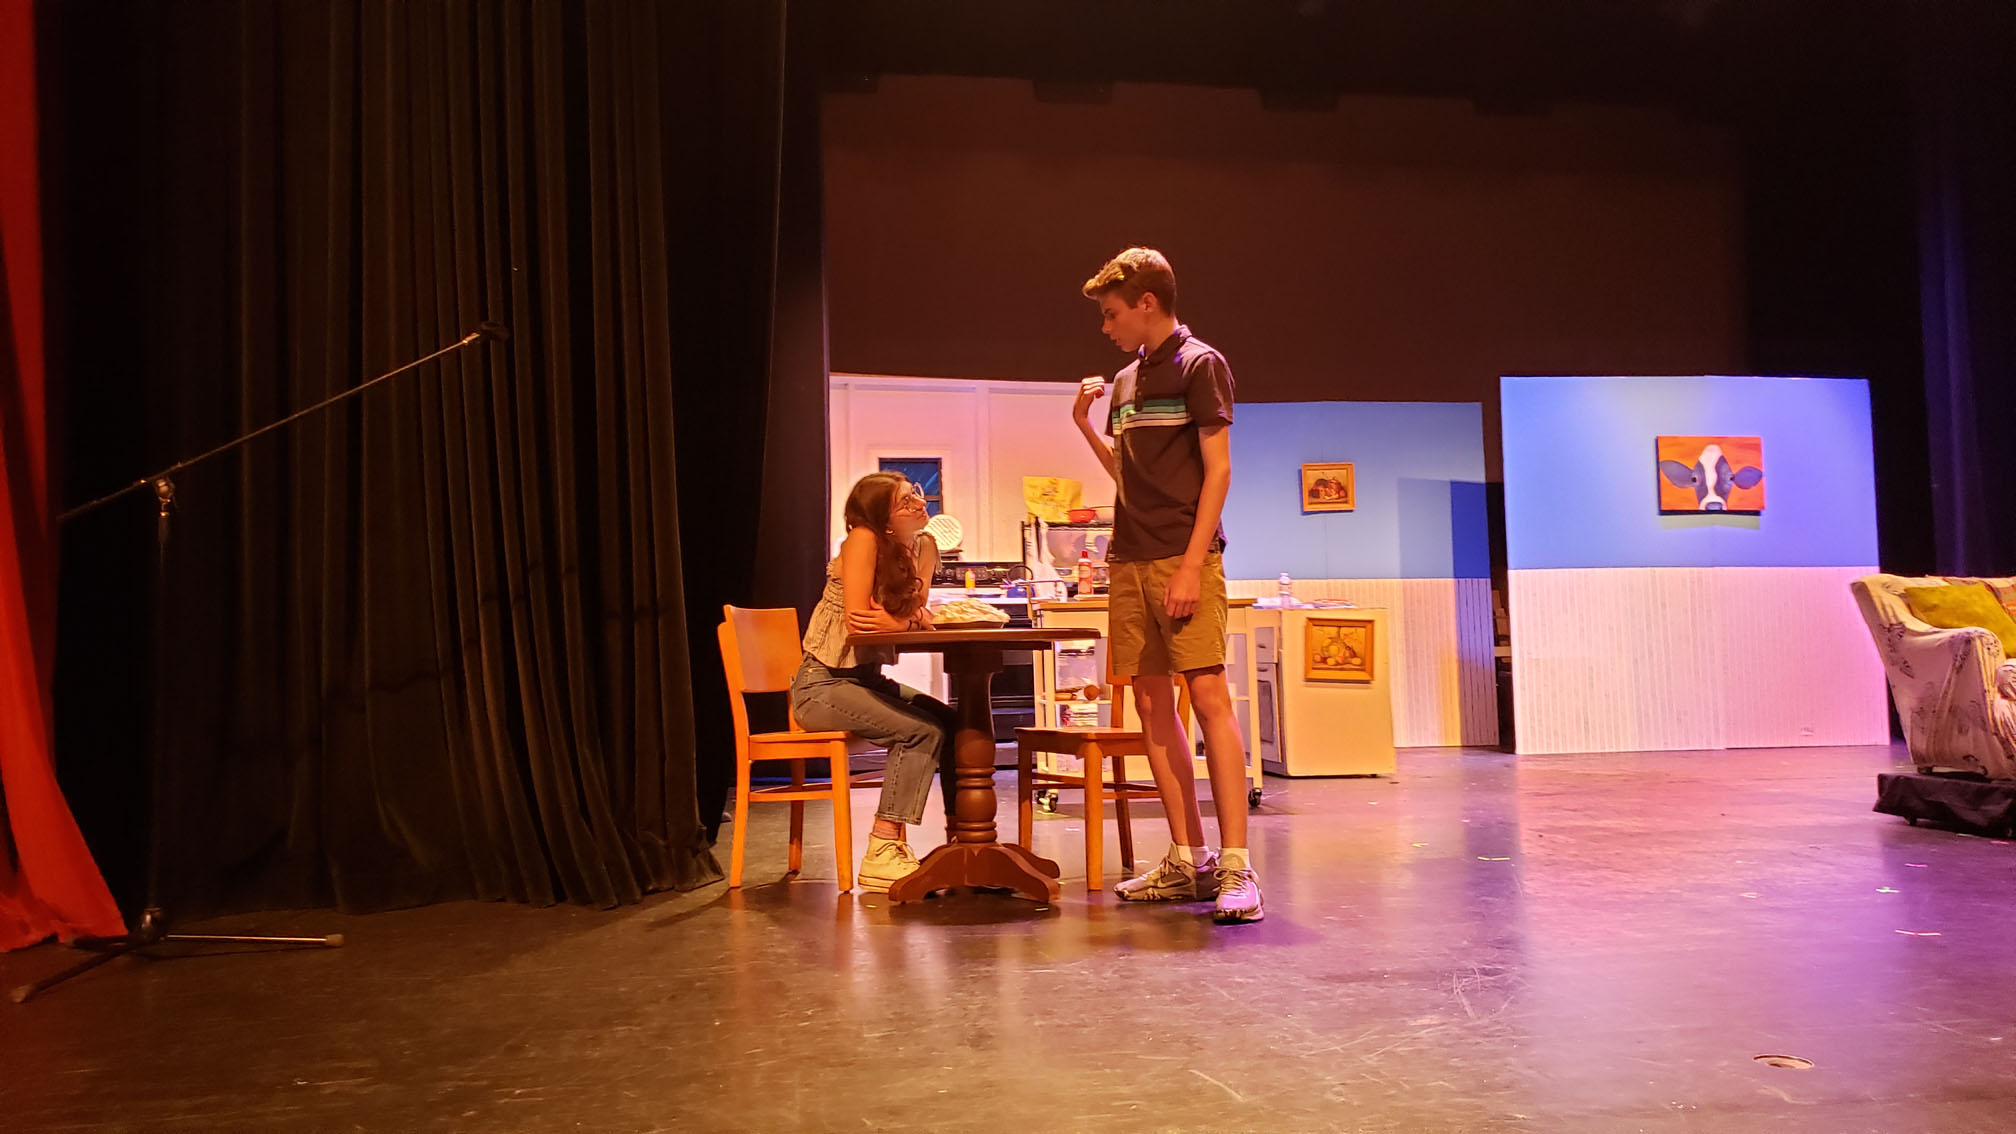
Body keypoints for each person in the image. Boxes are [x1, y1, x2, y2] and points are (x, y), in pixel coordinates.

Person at [1070, 247, 1263, 924]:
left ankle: (1237, 866)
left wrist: (1190, 563)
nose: (1106, 327)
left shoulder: (1200, 364)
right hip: (1128, 558)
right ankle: (1189, 859)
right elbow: (1128, 478)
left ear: (1146, 302)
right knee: (1152, 705)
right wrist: (1083, 427)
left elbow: (1219, 470)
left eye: (1111, 313)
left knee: (1207, 697)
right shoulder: (1126, 381)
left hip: (1184, 556)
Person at [789, 472, 957, 893]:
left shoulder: (923, 546)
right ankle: (882, 849)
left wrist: (906, 622)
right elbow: (860, 621)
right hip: (822, 686)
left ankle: (962, 841)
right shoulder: (863, 539)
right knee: (920, 731)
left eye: (916, 494)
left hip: (864, 682)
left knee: (952, 723)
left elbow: (920, 614)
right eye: (905, 502)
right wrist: (910, 621)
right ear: (884, 521)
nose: (919, 504)